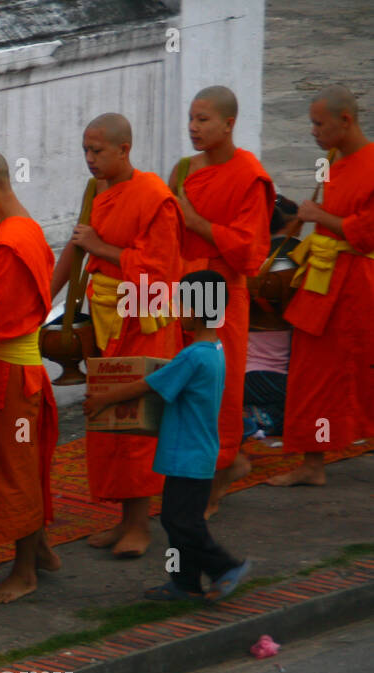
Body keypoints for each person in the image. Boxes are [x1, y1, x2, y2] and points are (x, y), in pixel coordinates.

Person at [51, 113, 184, 558]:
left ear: (124, 150)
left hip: (144, 319)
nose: (89, 159)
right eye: (86, 150)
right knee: (108, 422)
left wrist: (100, 248)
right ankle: (123, 518)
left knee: (136, 423)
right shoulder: (98, 190)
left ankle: (141, 527)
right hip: (108, 317)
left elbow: (160, 273)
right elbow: (76, 245)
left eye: (98, 151)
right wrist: (40, 302)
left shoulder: (154, 197)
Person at [84, 271, 250, 601]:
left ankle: (224, 567)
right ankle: (184, 583)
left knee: (181, 522)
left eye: (183, 304)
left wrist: (103, 399)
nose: (177, 311)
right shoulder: (214, 349)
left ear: (198, 308)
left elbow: (149, 386)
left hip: (187, 455)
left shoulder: (194, 355)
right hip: (193, 453)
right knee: (176, 523)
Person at [0, 149, 62, 603]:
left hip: (11, 374)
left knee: (13, 470)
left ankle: (23, 572)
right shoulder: (29, 230)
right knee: (25, 462)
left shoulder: (8, 242)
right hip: (26, 370)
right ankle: (39, 548)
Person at [167, 86, 275, 516]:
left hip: (222, 287)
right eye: (191, 119)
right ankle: (196, 474)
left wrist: (197, 221)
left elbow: (251, 252)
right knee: (188, 385)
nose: (193, 128)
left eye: (203, 120)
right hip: (185, 282)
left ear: (229, 124)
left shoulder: (250, 174)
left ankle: (220, 472)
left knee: (219, 387)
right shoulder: (183, 169)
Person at [269, 85, 374, 487]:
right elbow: (324, 209)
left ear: (345, 121)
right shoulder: (330, 160)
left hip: (357, 282)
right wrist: (304, 215)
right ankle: (312, 464)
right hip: (323, 277)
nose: (313, 131)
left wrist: (321, 218)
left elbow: (367, 235)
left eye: (319, 123)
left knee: (361, 372)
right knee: (310, 373)